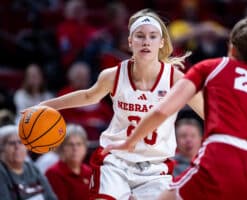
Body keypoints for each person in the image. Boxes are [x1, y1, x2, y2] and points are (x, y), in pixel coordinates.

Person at [103, 10, 247, 200]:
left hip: (226, 151)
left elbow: (163, 110)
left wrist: (129, 142)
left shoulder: (213, 67)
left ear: (232, 47)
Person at [35, 8, 203, 199]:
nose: (146, 41)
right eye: (140, 36)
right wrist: (46, 105)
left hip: (155, 167)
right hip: (116, 161)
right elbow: (89, 96)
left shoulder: (175, 79)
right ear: (130, 42)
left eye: (152, 36)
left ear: (161, 42)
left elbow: (206, 111)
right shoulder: (113, 75)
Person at [0, 125, 57, 200]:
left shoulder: (33, 168)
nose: (17, 147)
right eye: (12, 143)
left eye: (20, 142)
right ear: (2, 148)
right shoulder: (2, 172)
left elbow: (51, 197)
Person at [45, 124, 92, 200]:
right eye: (70, 144)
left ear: (85, 147)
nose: (75, 149)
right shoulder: (53, 173)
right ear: (62, 148)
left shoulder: (89, 171)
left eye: (79, 144)